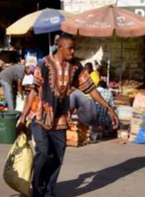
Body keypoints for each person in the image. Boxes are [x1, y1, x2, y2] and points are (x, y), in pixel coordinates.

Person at [19, 34, 118, 197]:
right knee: (43, 153)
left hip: (61, 120)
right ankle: (37, 188)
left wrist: (109, 108)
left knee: (57, 157)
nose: (73, 52)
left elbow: (91, 89)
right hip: (41, 117)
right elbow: (33, 90)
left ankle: (49, 192)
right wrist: (23, 115)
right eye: (70, 48)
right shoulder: (44, 63)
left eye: (74, 48)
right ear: (60, 48)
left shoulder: (76, 67)